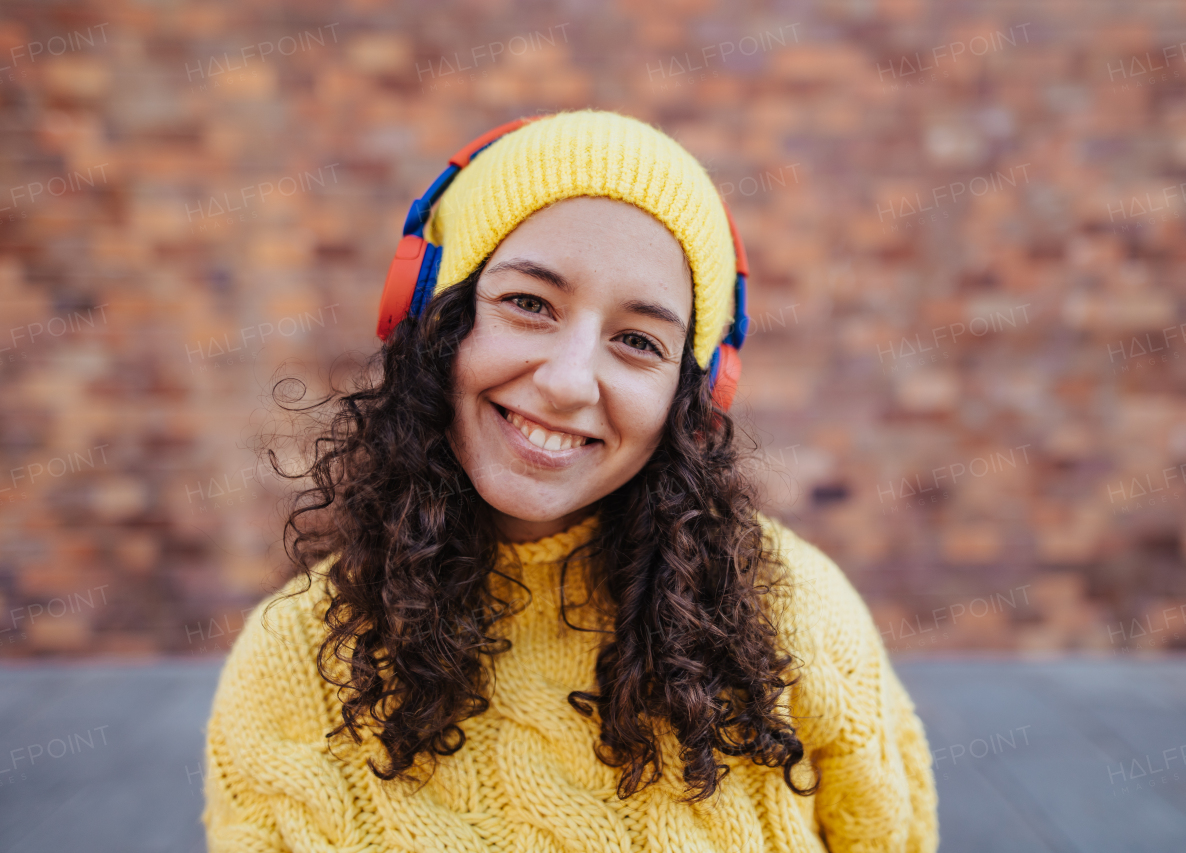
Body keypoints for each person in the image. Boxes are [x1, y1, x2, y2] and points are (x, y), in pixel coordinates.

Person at [201, 108, 939, 853]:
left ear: (694, 398)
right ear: (430, 315)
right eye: (528, 303)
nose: (566, 382)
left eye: (637, 341)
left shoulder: (802, 619)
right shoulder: (286, 663)